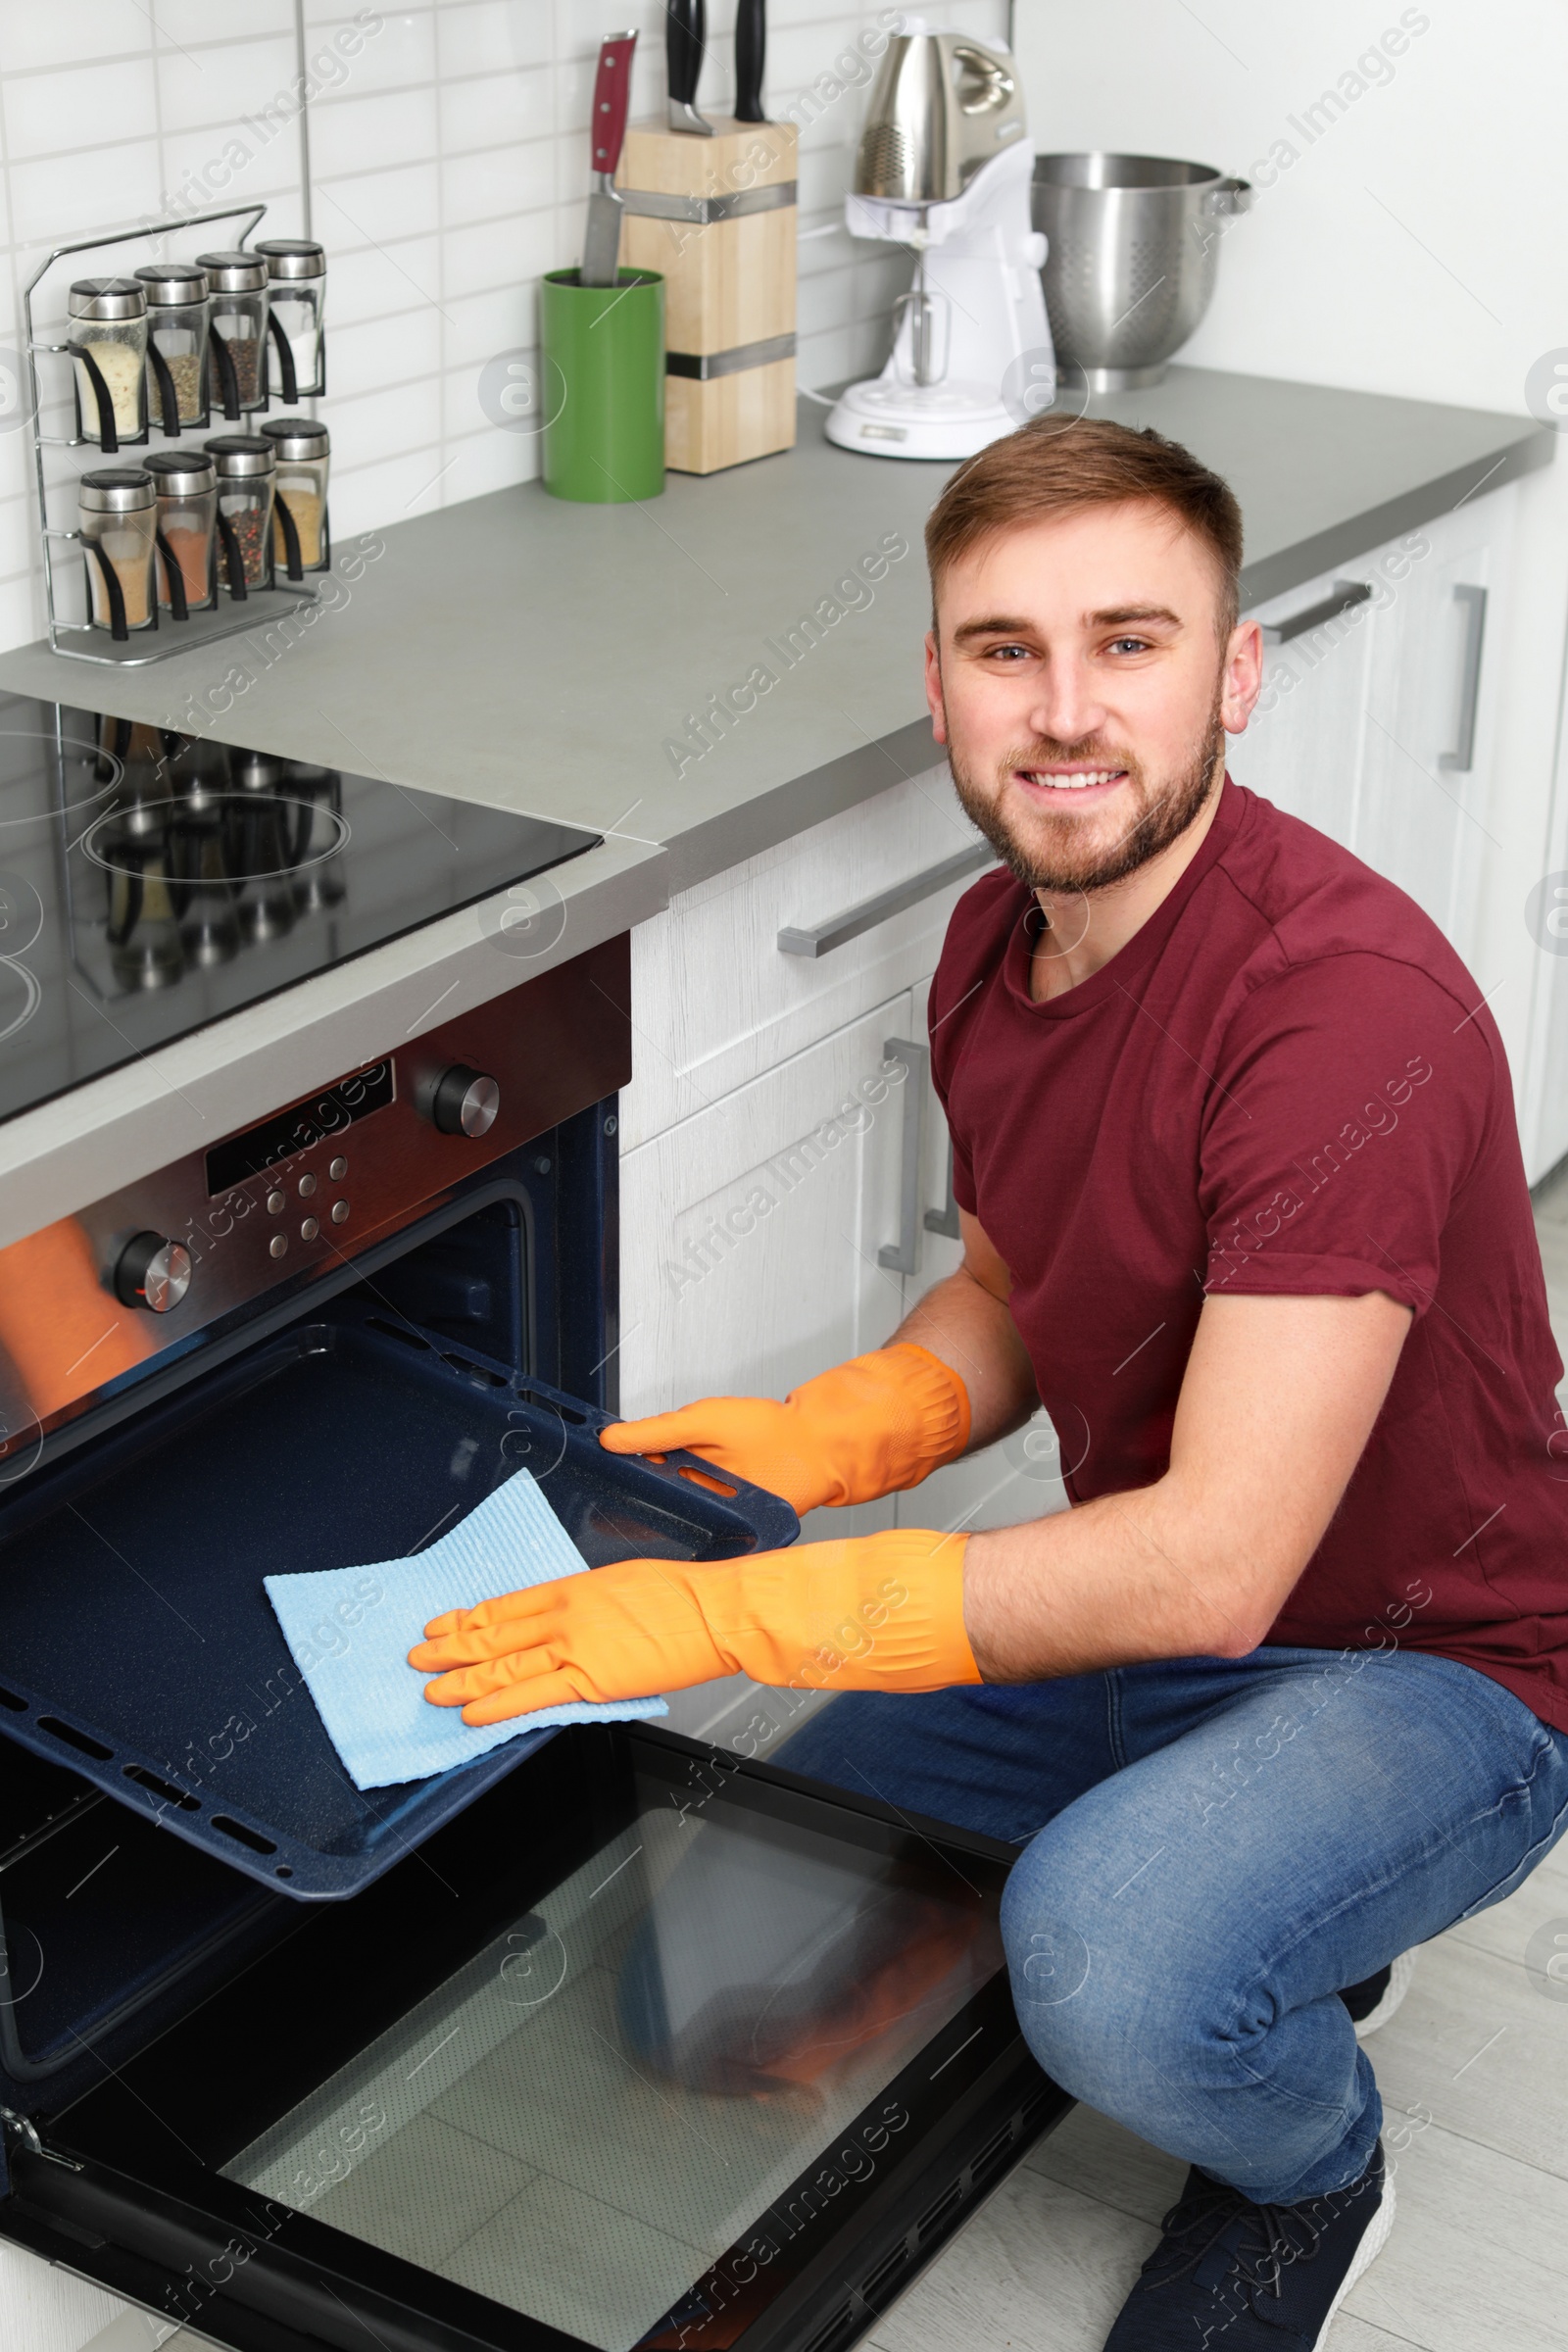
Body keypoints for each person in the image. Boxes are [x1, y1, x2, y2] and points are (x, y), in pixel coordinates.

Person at [411, 417, 1568, 2350]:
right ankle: (1272, 1909)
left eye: (1128, 642)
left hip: (1419, 1664)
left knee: (1107, 1963)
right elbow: (1020, 1291)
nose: (1063, 712)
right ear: (936, 683)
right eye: (1002, 649)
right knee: (713, 1967)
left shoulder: (1334, 1016)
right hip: (1133, 1632)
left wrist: (723, 1610)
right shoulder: (988, 946)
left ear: (1233, 671)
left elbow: (1211, 1570)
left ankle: (1307, 2159)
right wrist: (854, 1424)